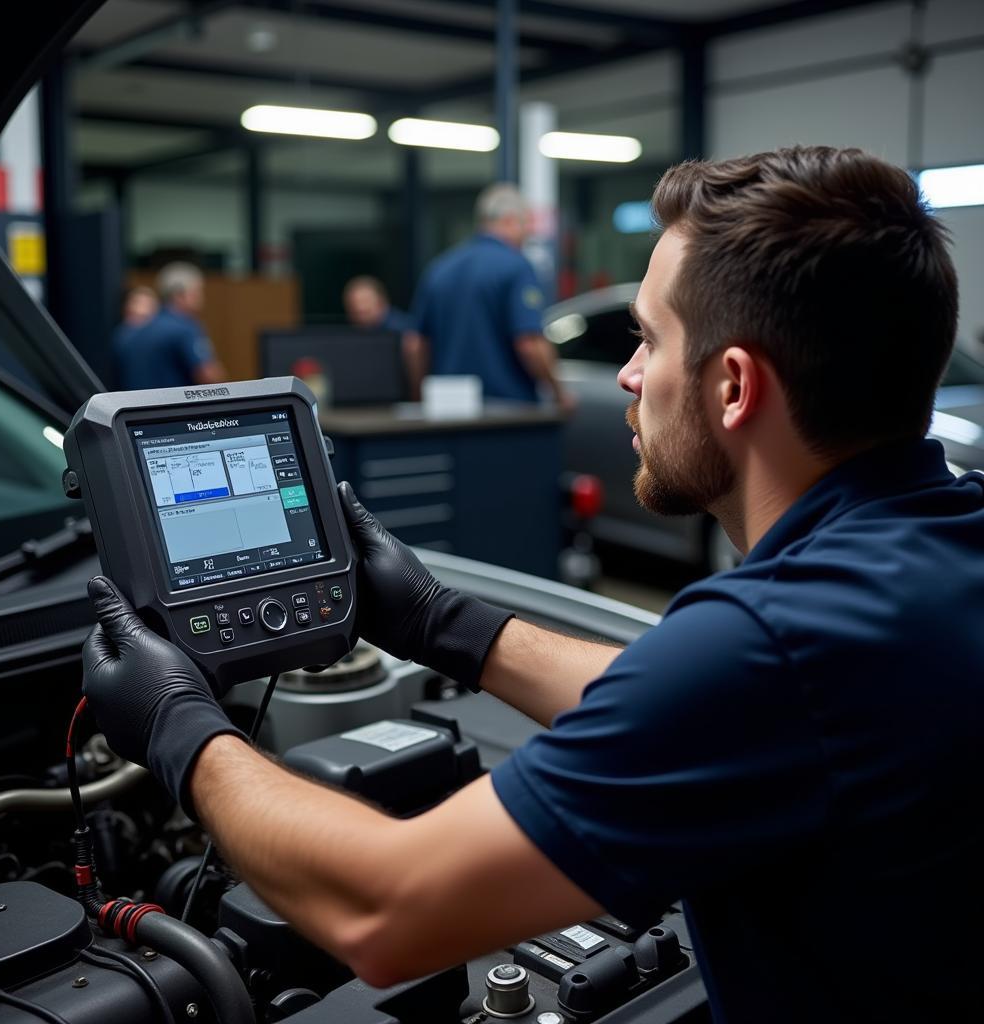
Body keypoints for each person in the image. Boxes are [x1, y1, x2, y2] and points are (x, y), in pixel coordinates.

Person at [81, 146, 983, 1022]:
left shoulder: (777, 646)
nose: (629, 375)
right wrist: (446, 625)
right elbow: (707, 703)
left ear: (734, 387)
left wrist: (181, 731)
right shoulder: (940, 542)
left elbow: (387, 911)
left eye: (648, 339)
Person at [406, 183, 573, 409]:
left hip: (446, 412)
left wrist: (419, 399)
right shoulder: (517, 266)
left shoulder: (439, 269)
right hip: (506, 410)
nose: (527, 234)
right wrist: (558, 393)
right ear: (510, 220)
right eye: (525, 225)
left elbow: (415, 345)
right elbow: (529, 344)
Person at [113, 262, 226, 390]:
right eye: (196, 291)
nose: (202, 298)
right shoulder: (185, 328)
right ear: (179, 295)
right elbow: (208, 376)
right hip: (176, 407)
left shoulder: (131, 330)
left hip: (136, 407)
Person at [342, 275, 412, 333]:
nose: (361, 307)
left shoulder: (405, 332)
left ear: (381, 303)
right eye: (355, 312)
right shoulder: (352, 333)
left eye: (366, 311)